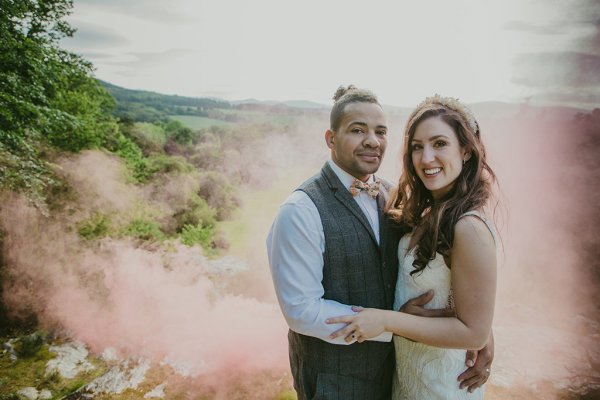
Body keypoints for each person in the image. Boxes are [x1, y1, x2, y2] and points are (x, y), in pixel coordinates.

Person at [267, 86, 493, 400]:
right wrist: (392, 327)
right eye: (357, 130)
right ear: (331, 139)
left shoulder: (393, 197)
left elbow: (452, 275)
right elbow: (301, 311)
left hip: (402, 376)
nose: (372, 140)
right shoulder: (300, 210)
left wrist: (479, 329)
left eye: (381, 131)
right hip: (336, 383)